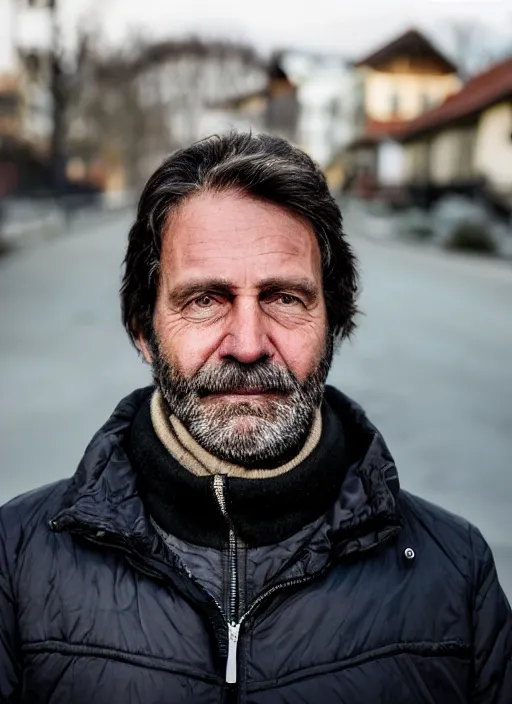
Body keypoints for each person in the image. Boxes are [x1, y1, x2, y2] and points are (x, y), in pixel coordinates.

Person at [0, 132, 510, 704]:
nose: (247, 344)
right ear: (144, 331)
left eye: (285, 298)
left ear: (332, 325)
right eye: (204, 299)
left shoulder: (455, 575)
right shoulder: (15, 561)